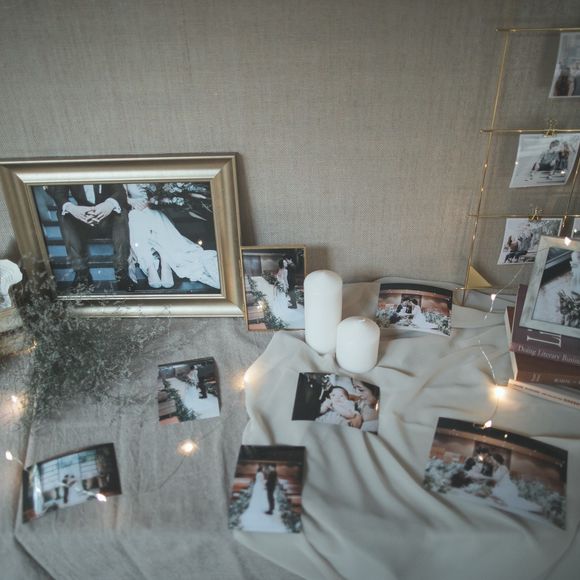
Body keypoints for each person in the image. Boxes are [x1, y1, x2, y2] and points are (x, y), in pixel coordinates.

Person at [125, 183, 220, 290]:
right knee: (135, 218)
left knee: (157, 217)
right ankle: (150, 266)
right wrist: (132, 202)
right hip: (136, 211)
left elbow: (162, 193)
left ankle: (165, 262)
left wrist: (154, 201)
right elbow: (122, 198)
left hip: (156, 209)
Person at [47, 183, 135, 291]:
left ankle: (121, 273)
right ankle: (82, 274)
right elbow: (59, 195)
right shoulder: (69, 173)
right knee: (63, 214)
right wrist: (74, 209)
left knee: (121, 211)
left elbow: (120, 192)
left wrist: (109, 204)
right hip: (83, 221)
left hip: (107, 221)